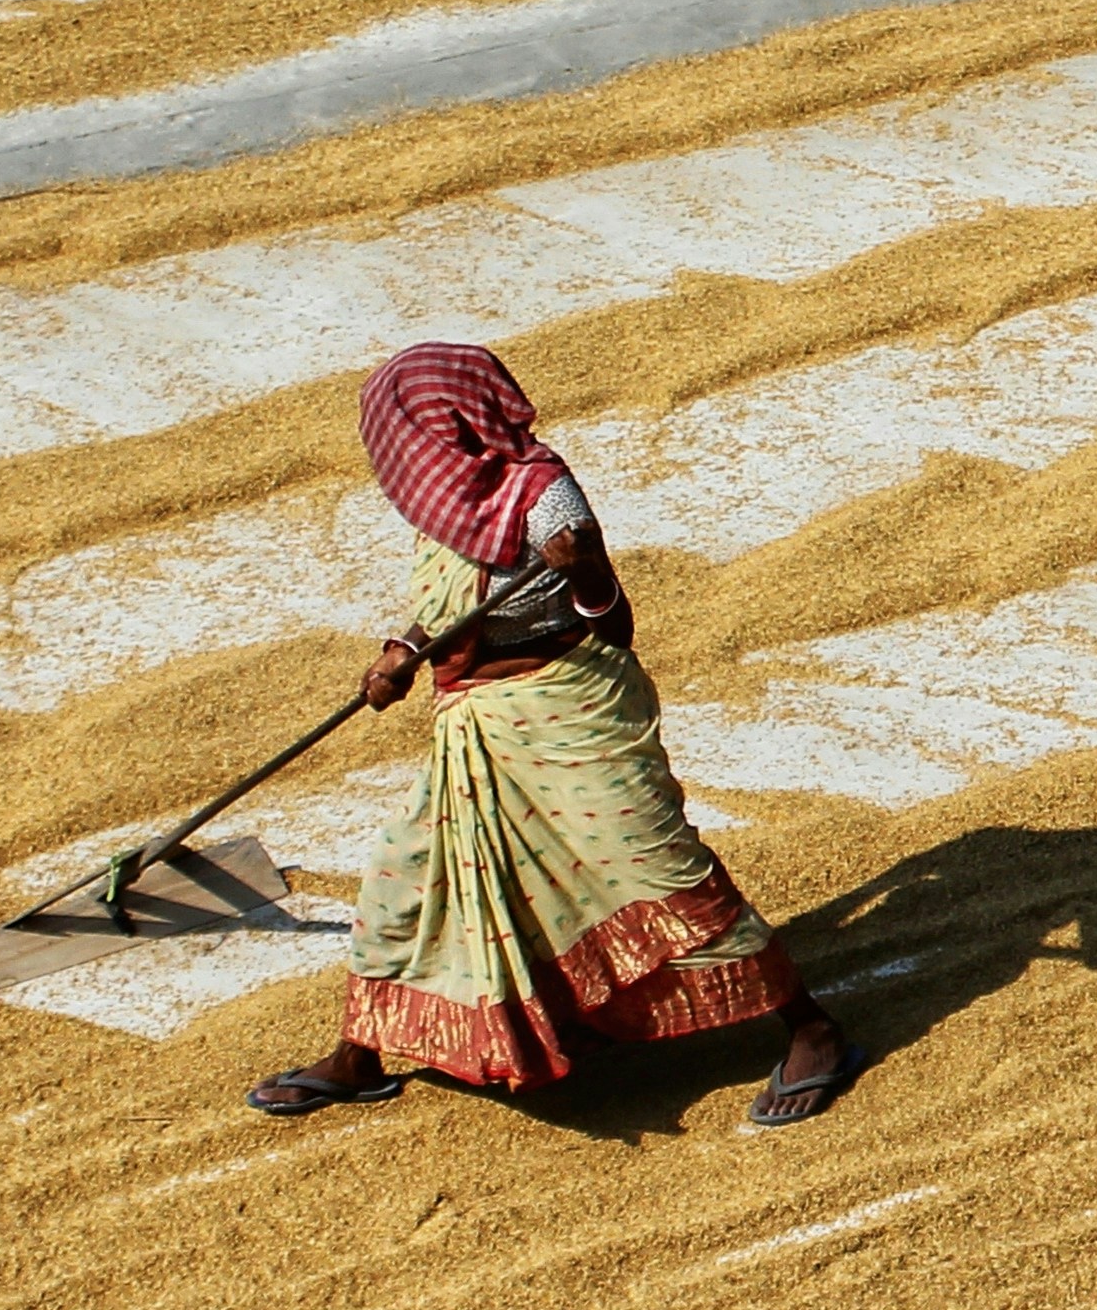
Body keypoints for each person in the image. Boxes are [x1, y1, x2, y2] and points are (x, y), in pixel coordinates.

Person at [248, 344, 853, 1125]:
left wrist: (587, 571)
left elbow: (616, 624)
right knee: (409, 878)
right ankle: (359, 1057)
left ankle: (812, 1028)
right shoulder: (447, 503)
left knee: (655, 868)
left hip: (571, 710)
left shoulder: (543, 495)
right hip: (476, 724)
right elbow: (446, 601)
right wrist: (401, 654)